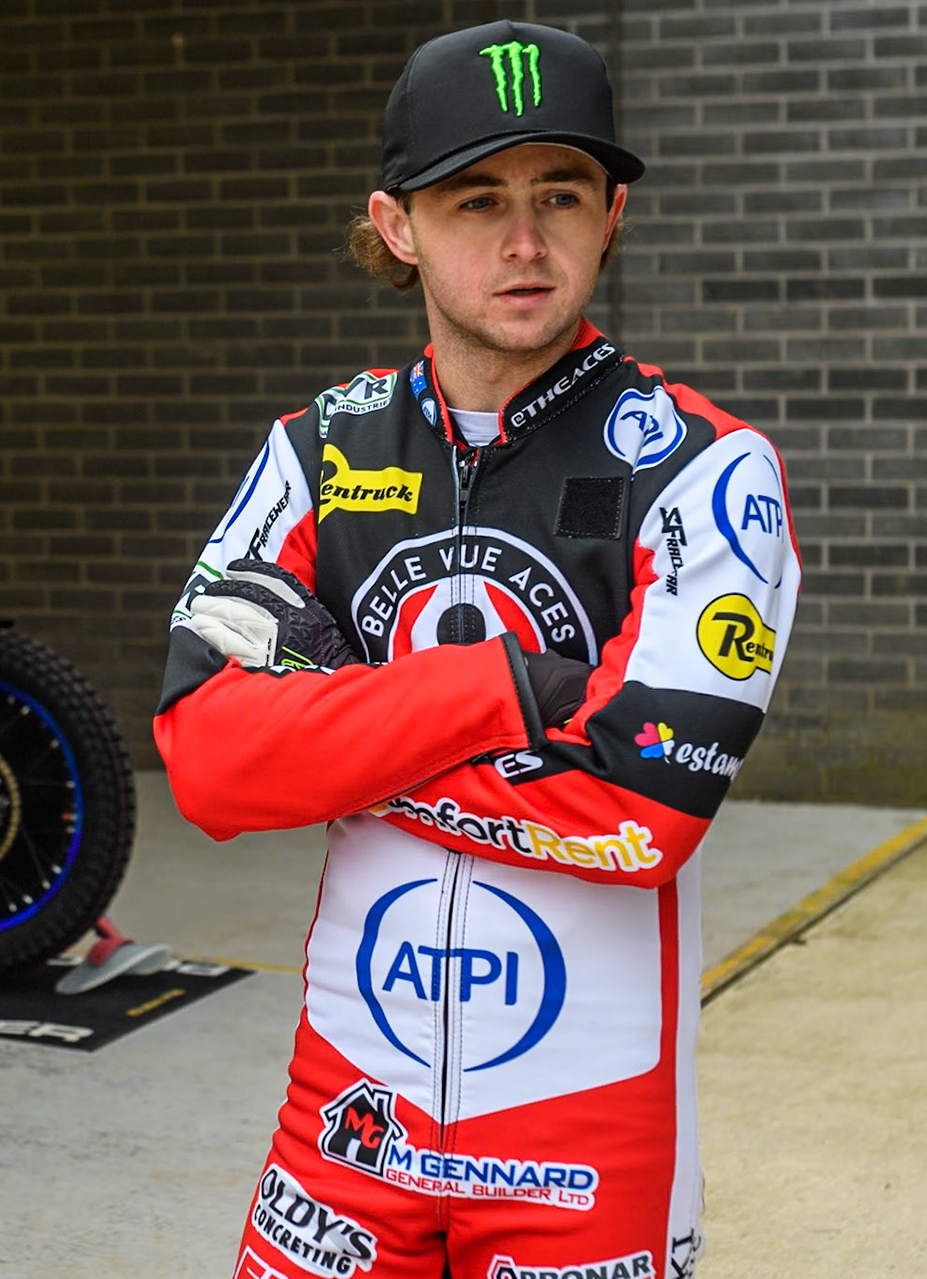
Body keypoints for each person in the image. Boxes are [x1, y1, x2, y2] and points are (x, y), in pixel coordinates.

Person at [156, 21, 798, 1279]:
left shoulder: (708, 469)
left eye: (560, 195)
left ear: (610, 212)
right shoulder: (317, 453)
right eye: (476, 199)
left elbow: (642, 810)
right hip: (349, 1103)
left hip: (587, 1127)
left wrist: (338, 729)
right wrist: (499, 689)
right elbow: (209, 762)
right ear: (398, 225)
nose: (524, 241)